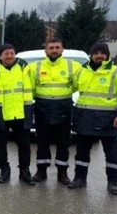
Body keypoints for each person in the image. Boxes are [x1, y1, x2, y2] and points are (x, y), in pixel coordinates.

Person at [69, 43, 117, 195]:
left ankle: (113, 183)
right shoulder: (82, 71)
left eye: (102, 53)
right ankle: (79, 179)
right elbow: (71, 88)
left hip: (109, 120)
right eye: (96, 53)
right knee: (82, 153)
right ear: (91, 55)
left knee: (112, 155)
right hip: (86, 118)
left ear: (108, 55)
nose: (99, 56)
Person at [26, 38, 82, 184]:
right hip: (42, 108)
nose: (54, 50)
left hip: (64, 109)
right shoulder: (35, 67)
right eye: (51, 48)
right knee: (42, 141)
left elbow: (77, 86)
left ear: (62, 49)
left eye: (57, 47)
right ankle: (41, 171)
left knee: (64, 142)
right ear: (46, 50)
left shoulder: (73, 66)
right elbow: (30, 88)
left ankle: (62, 173)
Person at [0, 44, 35, 185]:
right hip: (0, 114)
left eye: (12, 53)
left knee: (24, 145)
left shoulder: (25, 69)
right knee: (1, 145)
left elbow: (33, 88)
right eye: (6, 54)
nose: (9, 56)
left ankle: (24, 172)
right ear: (0, 56)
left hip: (21, 113)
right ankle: (4, 171)